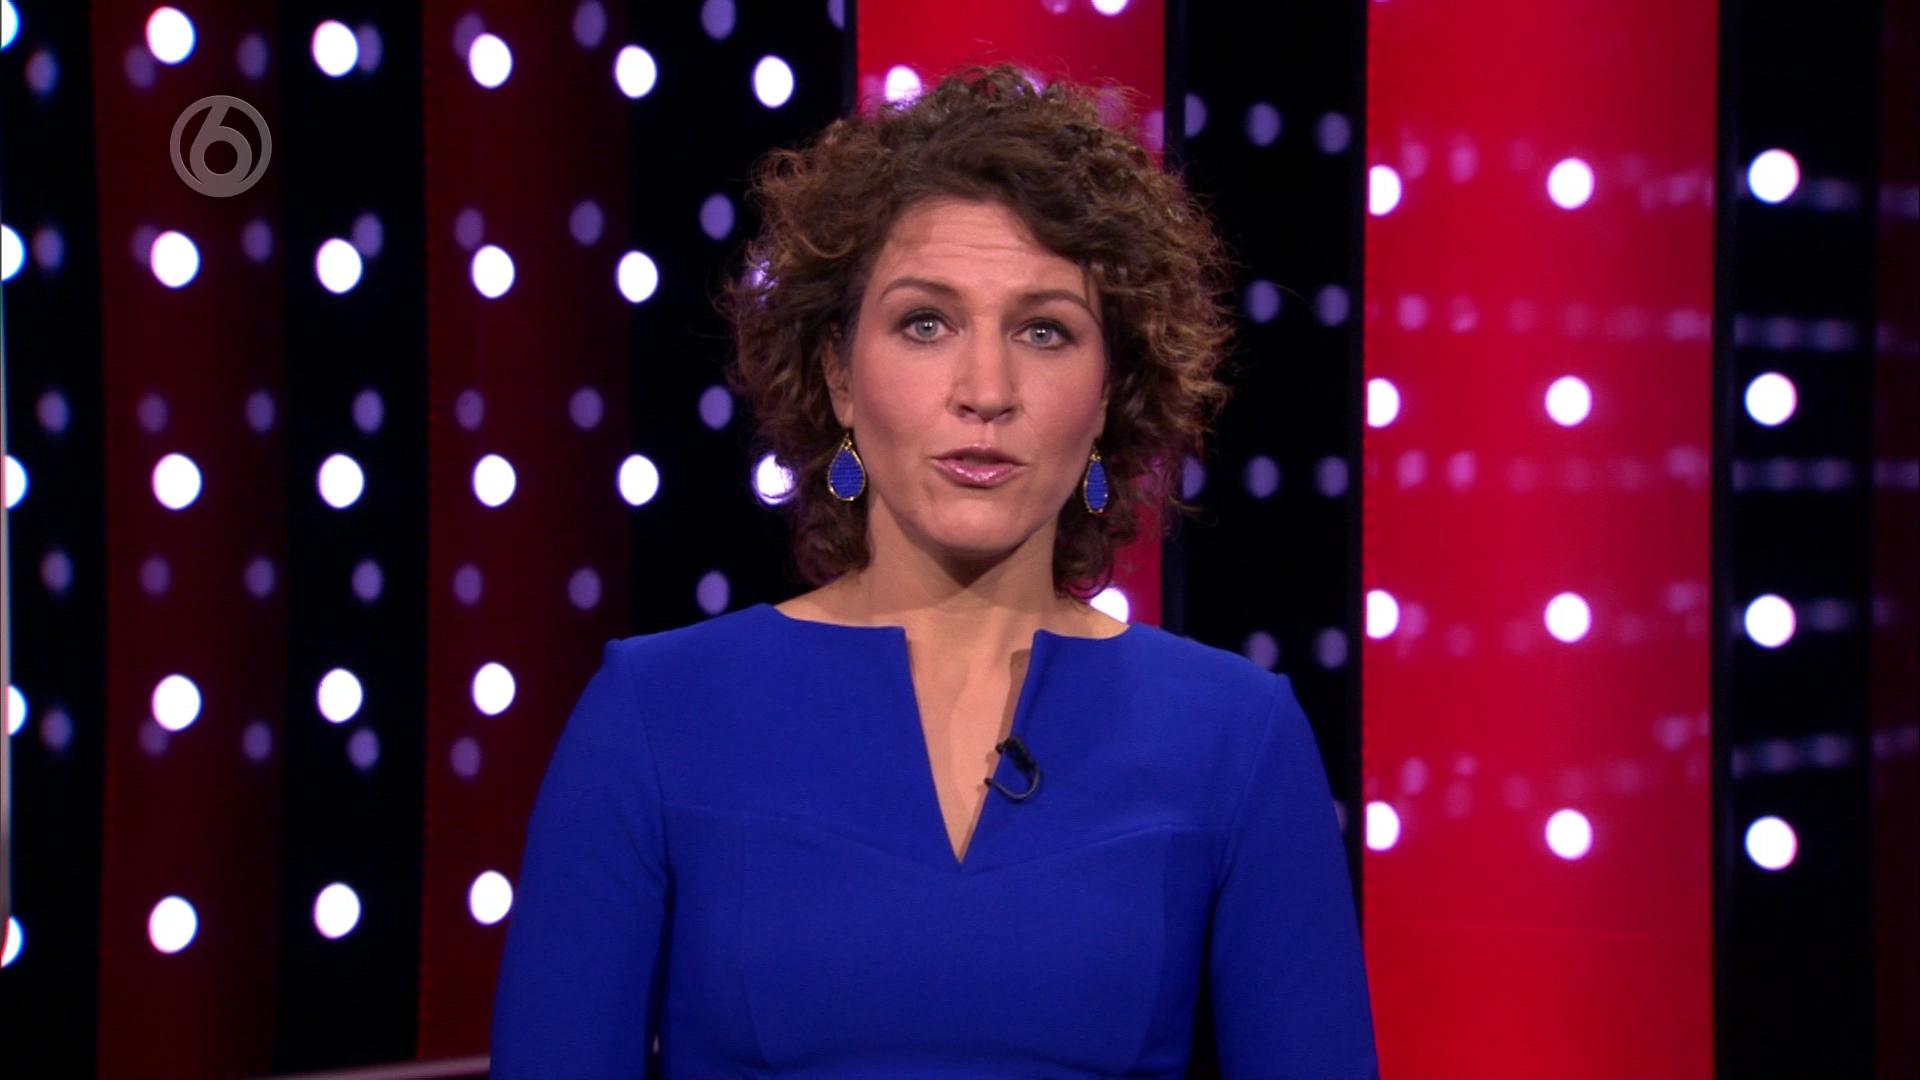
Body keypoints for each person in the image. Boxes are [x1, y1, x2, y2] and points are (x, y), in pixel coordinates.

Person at [489, 64, 1378, 1078]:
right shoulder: (654, 715)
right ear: (838, 373)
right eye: (926, 323)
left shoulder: (1237, 735)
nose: (985, 390)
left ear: (1108, 393)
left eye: (1044, 331)